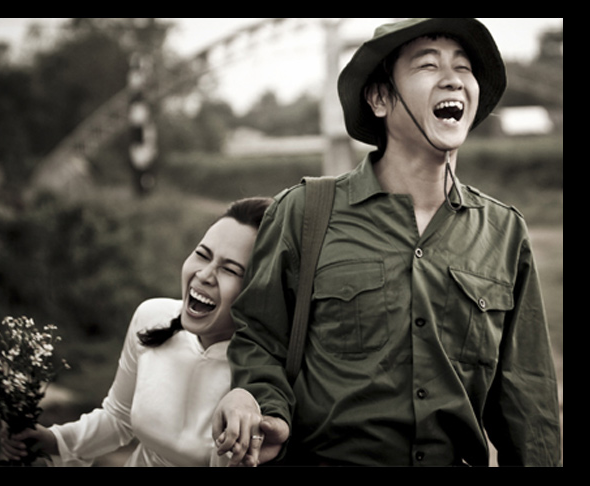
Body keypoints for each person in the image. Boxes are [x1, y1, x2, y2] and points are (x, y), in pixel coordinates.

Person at [213, 18, 562, 466]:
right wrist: (267, 408)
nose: (453, 79)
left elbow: (529, 401)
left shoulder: (505, 232)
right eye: (428, 65)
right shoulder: (303, 212)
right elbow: (261, 340)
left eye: (463, 67)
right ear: (379, 98)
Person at [0, 197, 272, 466]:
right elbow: (118, 418)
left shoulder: (265, 374)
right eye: (202, 255)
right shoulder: (152, 317)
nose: (204, 274)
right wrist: (53, 440)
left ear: (259, 290)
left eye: (230, 270)